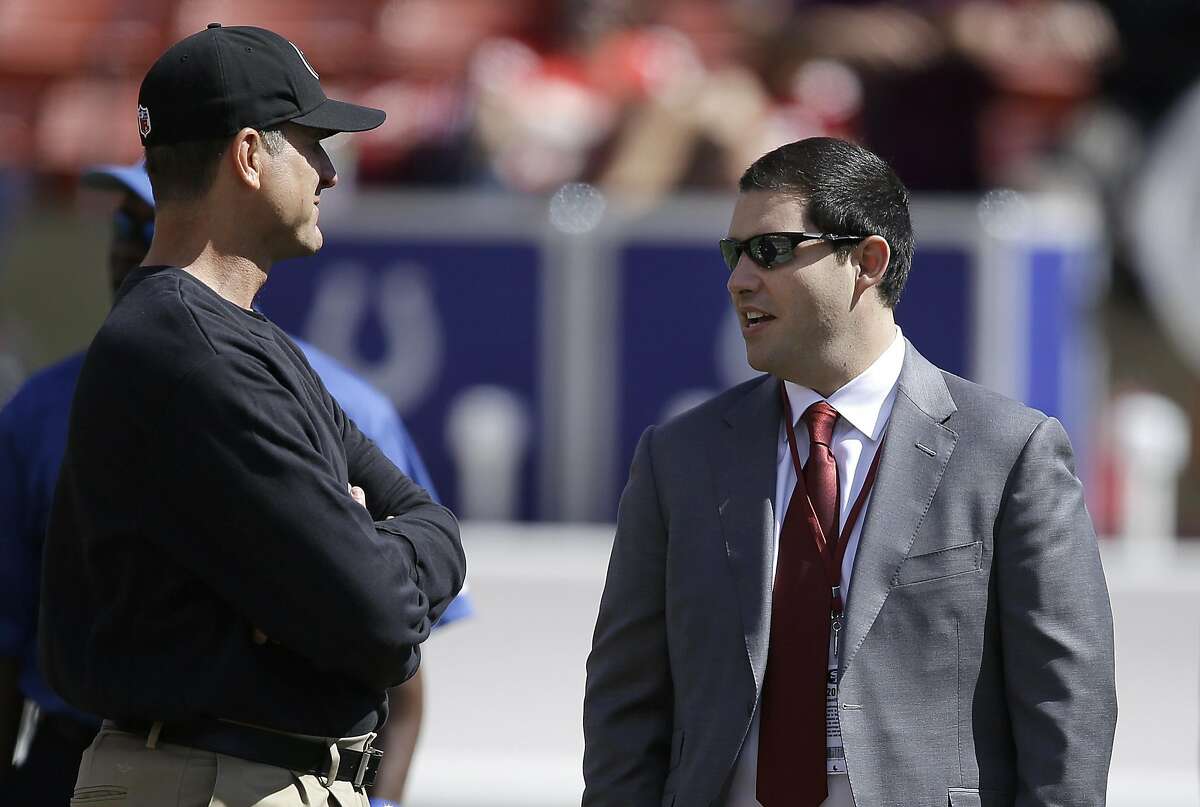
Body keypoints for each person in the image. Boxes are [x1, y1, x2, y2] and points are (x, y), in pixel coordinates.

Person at [582, 137, 1116, 807]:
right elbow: (625, 702)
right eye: (733, 252)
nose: (739, 278)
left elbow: (1066, 705)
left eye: (770, 250)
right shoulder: (679, 456)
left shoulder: (1011, 452)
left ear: (867, 261)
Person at [37, 24, 465, 806]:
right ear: (247, 155)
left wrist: (372, 550)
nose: (330, 173)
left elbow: (428, 523)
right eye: (311, 143)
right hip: (203, 780)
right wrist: (372, 561)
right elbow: (377, 618)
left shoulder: (238, 339)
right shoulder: (186, 350)